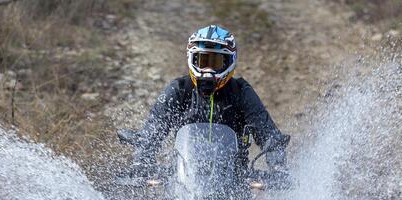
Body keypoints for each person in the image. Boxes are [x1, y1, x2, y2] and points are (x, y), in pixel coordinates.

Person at [122, 24, 290, 178]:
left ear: (230, 62)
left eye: (216, 62)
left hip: (235, 182)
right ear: (192, 59)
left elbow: (267, 132)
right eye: (203, 61)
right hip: (182, 181)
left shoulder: (241, 92)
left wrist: (278, 166)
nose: (208, 69)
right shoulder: (180, 89)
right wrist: (141, 161)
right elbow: (155, 126)